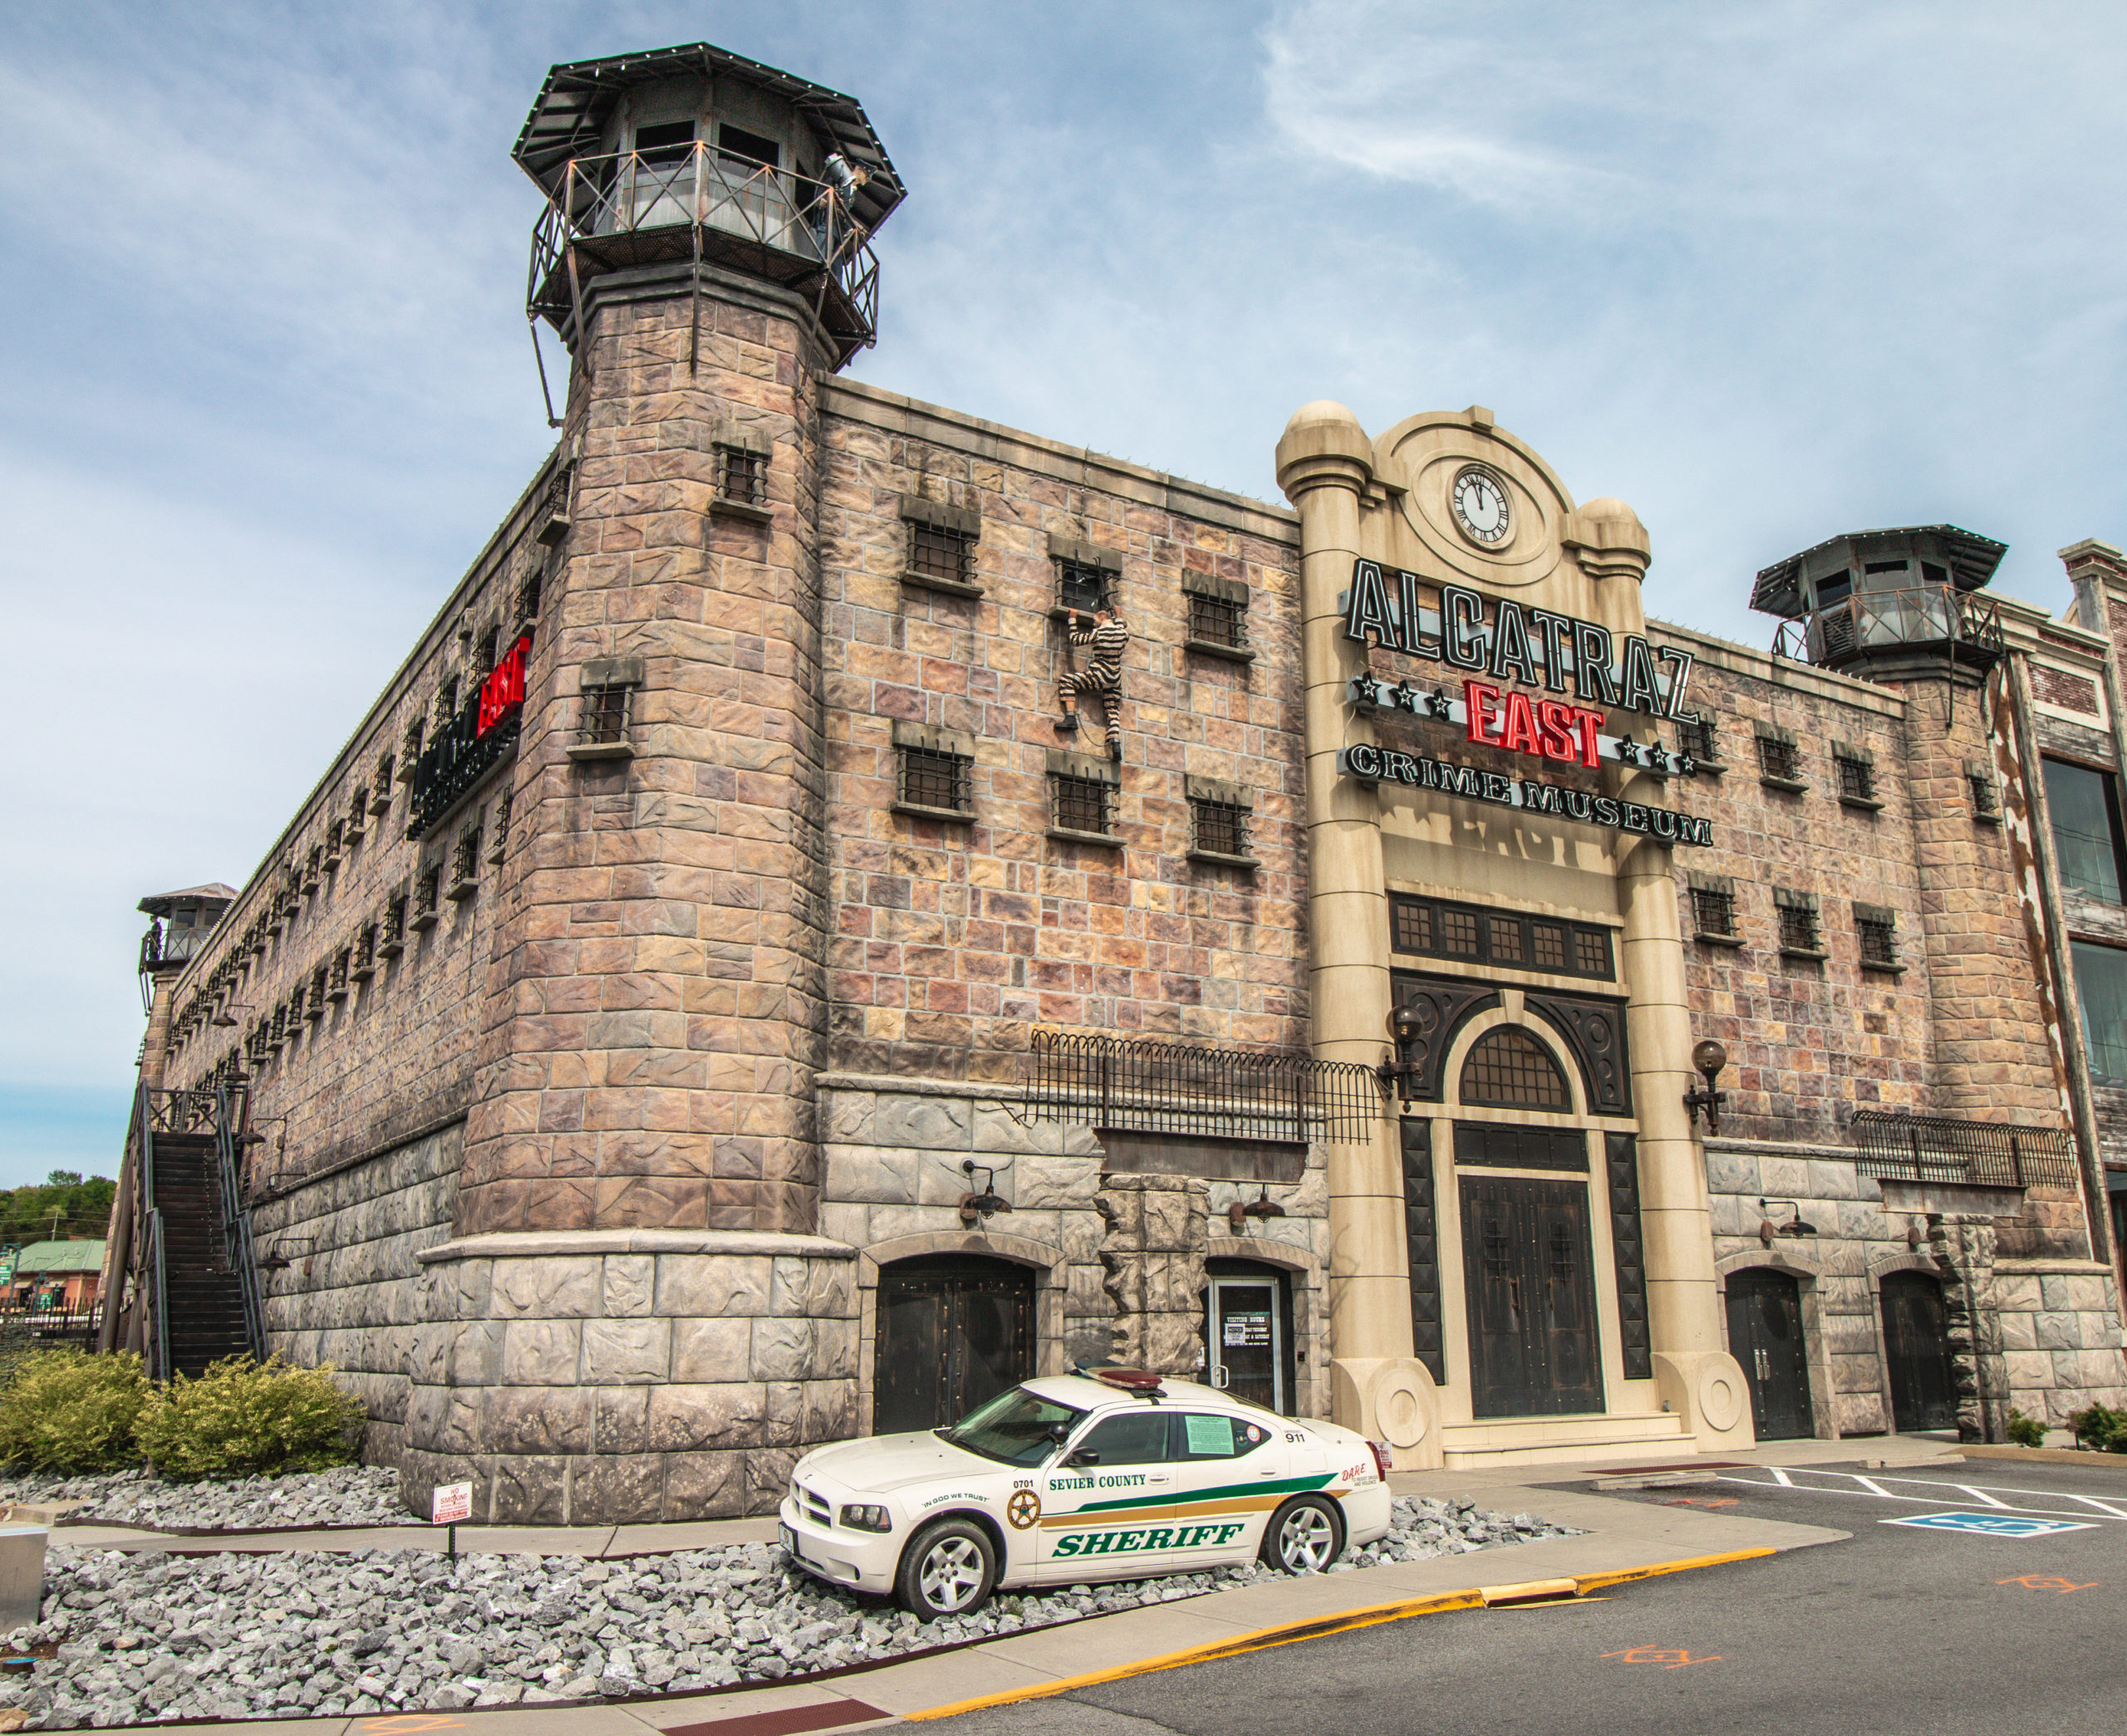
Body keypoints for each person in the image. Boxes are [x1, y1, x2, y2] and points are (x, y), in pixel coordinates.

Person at [1058, 605, 1129, 760]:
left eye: (1095, 621)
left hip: (1099, 675)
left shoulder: (1098, 633)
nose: (1093, 624)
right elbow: (1120, 625)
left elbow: (1075, 640)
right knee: (1112, 710)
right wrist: (1119, 615)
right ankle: (1115, 743)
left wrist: (1072, 619)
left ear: (1102, 618)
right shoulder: (1123, 634)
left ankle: (1070, 717)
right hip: (1115, 679)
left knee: (1067, 680)